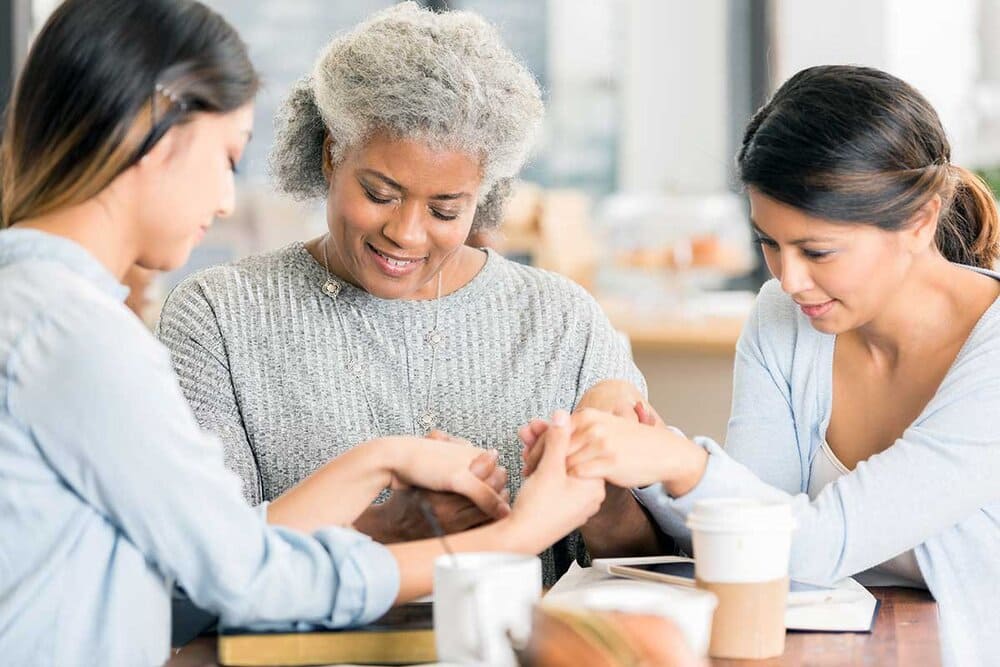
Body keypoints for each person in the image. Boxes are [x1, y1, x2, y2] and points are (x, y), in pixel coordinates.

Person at [0, 1, 604, 665]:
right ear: (158, 138)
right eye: (228, 157)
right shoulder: (77, 338)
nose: (226, 200)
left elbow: (207, 544)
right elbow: (242, 572)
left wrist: (379, 459)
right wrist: (518, 535)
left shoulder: (35, 308)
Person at [155, 1, 650, 583]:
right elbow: (205, 563)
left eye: (445, 208)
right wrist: (388, 528)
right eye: (381, 193)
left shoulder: (563, 321)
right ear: (331, 153)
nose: (406, 234)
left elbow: (639, 569)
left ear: (482, 193)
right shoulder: (220, 316)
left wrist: (608, 493)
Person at [522, 66, 1000, 666]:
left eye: (817, 251)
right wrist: (636, 458)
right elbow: (747, 530)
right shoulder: (784, 315)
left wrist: (677, 461)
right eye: (769, 244)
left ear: (920, 221)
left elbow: (821, 542)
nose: (789, 279)